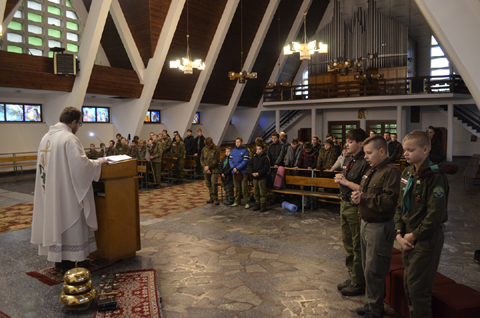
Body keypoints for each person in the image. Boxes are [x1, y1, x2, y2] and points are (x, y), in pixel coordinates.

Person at [31, 106, 108, 273]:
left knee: (56, 220)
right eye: (79, 123)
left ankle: (60, 260)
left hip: (51, 190)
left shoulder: (46, 137)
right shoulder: (69, 139)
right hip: (67, 192)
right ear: (73, 122)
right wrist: (98, 163)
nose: (79, 127)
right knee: (71, 221)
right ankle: (75, 260)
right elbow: (81, 166)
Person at [394, 130, 449, 318]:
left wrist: (413, 235)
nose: (405, 154)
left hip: (426, 238)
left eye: (410, 150)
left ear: (425, 149)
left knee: (419, 290)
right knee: (409, 285)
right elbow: (400, 205)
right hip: (407, 235)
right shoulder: (408, 172)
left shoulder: (435, 176)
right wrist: (399, 233)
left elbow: (435, 215)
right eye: (404, 150)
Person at [350, 135, 401, 318]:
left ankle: (376, 309)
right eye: (365, 153)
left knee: (375, 269)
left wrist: (363, 198)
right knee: (367, 267)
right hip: (366, 223)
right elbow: (364, 192)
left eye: (369, 153)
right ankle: (371, 303)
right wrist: (357, 197)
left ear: (381, 151)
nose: (366, 157)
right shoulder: (372, 170)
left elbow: (389, 202)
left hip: (379, 227)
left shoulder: (391, 172)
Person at [334, 128, 370, 296]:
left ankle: (358, 281)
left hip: (355, 207)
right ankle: (351, 275)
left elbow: (364, 188)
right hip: (344, 204)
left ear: (360, 144)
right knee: (347, 243)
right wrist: (340, 180)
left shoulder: (365, 162)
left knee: (357, 246)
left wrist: (346, 182)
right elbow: (345, 178)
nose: (346, 145)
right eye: (346, 142)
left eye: (350, 142)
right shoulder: (348, 159)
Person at [294, 142, 317, 209]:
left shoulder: (314, 153)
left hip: (311, 173)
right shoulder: (302, 151)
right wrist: (297, 166)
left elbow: (315, 162)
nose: (307, 151)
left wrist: (312, 167)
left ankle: (311, 203)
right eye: (306, 150)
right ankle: (304, 203)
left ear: (311, 148)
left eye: (308, 150)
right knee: (304, 188)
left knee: (310, 189)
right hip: (304, 172)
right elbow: (300, 160)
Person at [249, 144, 270, 212]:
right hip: (255, 177)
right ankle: (257, 203)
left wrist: (259, 173)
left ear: (263, 149)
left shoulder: (265, 157)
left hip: (262, 177)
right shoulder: (254, 157)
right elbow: (250, 165)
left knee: (262, 191)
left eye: (259, 149)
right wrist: (252, 172)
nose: (258, 151)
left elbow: (266, 168)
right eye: (257, 149)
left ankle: (263, 205)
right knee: (256, 191)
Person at [230, 137, 250, 208]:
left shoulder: (245, 151)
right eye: (236, 142)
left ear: (241, 143)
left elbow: (245, 161)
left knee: (244, 188)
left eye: (238, 142)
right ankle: (237, 202)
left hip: (243, 172)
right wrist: (233, 168)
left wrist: (238, 168)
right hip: (235, 172)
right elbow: (230, 160)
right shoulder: (233, 150)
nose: (237, 143)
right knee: (237, 188)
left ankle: (247, 202)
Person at [200, 137, 220, 205]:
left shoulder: (216, 149)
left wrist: (209, 166)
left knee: (214, 183)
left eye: (208, 145)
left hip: (214, 169)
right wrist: (204, 167)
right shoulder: (204, 149)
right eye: (206, 145)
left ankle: (215, 198)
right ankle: (211, 197)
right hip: (206, 169)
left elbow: (216, 160)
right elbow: (201, 159)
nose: (207, 146)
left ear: (212, 143)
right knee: (208, 184)